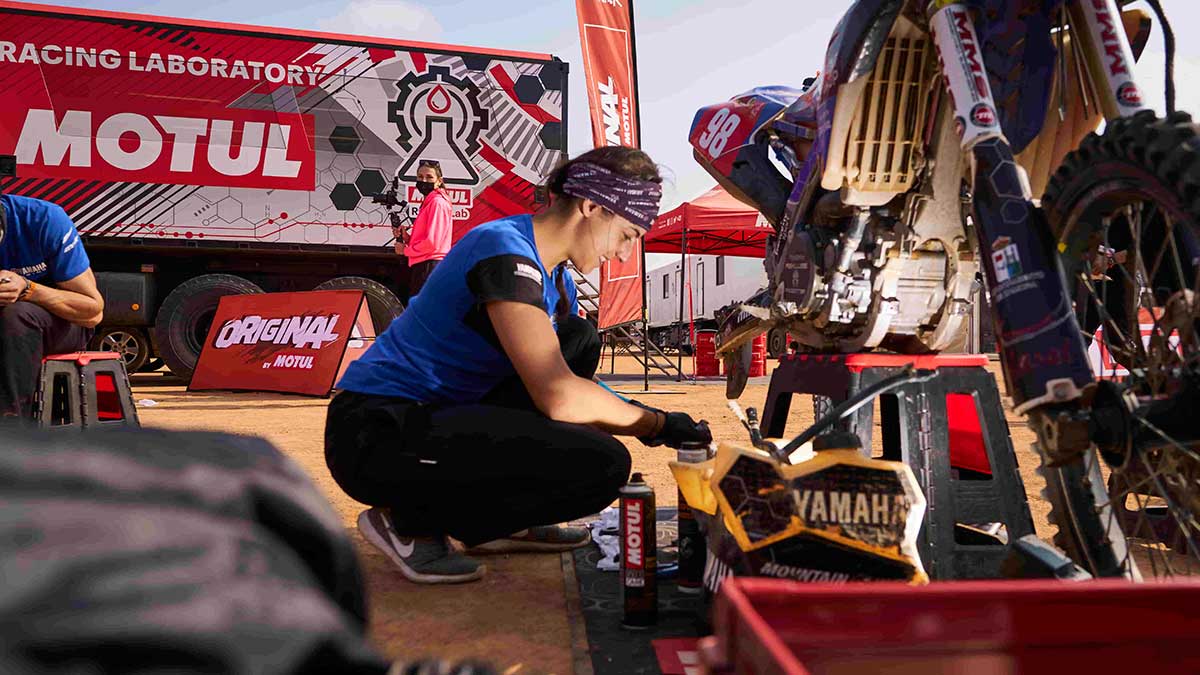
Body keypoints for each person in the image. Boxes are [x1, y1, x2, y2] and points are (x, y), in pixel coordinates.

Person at [326, 146, 711, 584]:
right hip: (375, 433)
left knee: (576, 339)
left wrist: (647, 417)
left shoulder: (548, 273)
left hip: (431, 417)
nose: (624, 255)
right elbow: (559, 395)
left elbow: (558, 379)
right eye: (627, 235)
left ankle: (492, 526)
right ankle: (409, 522)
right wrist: (656, 423)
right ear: (590, 207)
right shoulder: (504, 252)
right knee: (600, 466)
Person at [0, 192, 104, 423]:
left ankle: (12, 427)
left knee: (15, 315)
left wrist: (28, 289)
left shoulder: (43, 219)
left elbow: (93, 312)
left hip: (62, 322)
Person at [401, 158, 454, 298]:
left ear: (439, 181)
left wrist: (406, 251)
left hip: (429, 266)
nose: (423, 181)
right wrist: (408, 238)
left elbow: (432, 243)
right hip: (426, 265)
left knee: (422, 315)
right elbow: (428, 238)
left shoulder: (437, 203)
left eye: (429, 177)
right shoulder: (430, 202)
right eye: (420, 177)